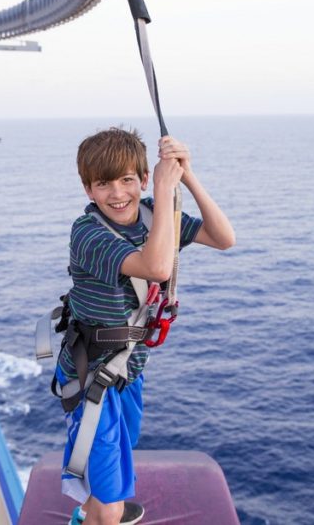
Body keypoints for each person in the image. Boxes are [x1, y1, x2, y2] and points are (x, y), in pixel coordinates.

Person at [54, 127, 235, 525]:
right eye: (103, 184)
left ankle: (88, 514)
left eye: (127, 180)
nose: (118, 194)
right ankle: (103, 515)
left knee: (119, 453)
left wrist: (187, 176)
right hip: (91, 377)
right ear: (88, 190)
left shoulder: (155, 216)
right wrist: (168, 190)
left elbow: (224, 237)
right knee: (110, 494)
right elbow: (155, 267)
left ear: (143, 180)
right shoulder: (87, 233)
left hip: (128, 370)